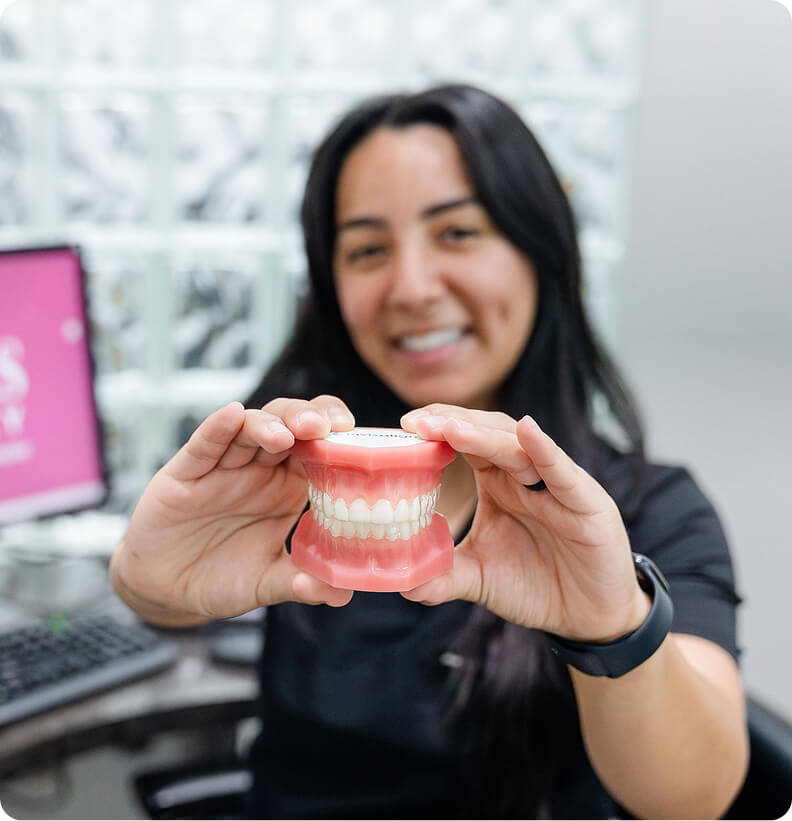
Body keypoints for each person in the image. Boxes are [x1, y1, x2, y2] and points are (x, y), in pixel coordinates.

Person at [110, 84, 748, 819]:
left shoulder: (652, 509)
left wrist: (612, 624)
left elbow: (694, 798)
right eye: (368, 248)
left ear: (540, 251)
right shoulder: (294, 478)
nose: (411, 288)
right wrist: (147, 580)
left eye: (458, 233)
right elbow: (170, 601)